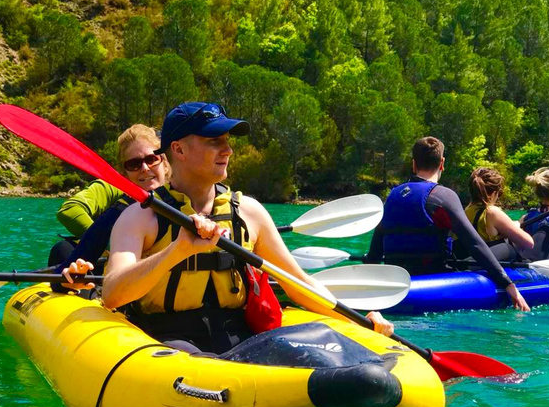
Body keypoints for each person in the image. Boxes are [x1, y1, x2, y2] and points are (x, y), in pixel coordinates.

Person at [65, 101, 394, 355]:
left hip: (241, 338)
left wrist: (361, 321)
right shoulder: (140, 217)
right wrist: (177, 250)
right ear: (177, 149)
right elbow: (112, 293)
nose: (228, 149)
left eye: (227, 140)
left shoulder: (248, 212)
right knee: (192, 356)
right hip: (166, 341)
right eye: (214, 140)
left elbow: (299, 285)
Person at [365, 137, 530, 311]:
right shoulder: (443, 196)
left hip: (397, 278)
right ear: (442, 163)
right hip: (434, 278)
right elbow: (474, 243)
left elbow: (375, 251)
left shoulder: (392, 197)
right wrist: (508, 284)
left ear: (414, 164)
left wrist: (365, 291)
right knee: (506, 247)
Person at [53, 125, 169, 291]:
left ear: (165, 163)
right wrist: (68, 279)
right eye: (134, 164)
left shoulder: (193, 202)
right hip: (134, 308)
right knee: (62, 249)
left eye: (151, 159)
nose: (144, 168)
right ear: (124, 173)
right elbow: (59, 277)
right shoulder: (118, 214)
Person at [457, 167, 534, 261]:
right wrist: (516, 225)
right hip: (484, 268)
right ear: (494, 193)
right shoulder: (491, 212)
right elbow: (529, 243)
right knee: (508, 248)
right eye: (499, 194)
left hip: (464, 263)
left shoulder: (463, 212)